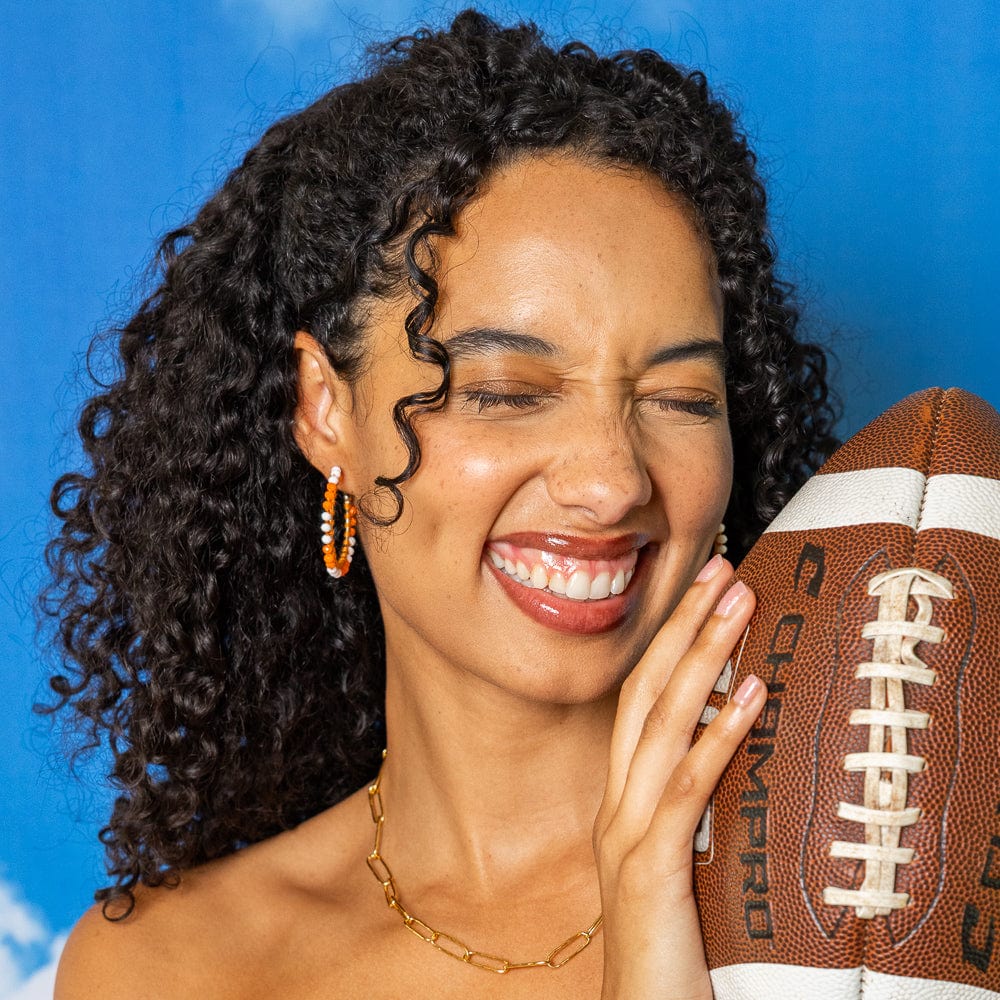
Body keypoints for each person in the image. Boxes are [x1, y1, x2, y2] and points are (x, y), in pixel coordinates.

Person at [46, 9, 838, 998]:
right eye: (505, 391)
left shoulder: (868, 893)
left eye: (681, 399)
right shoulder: (166, 968)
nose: (611, 480)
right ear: (325, 409)